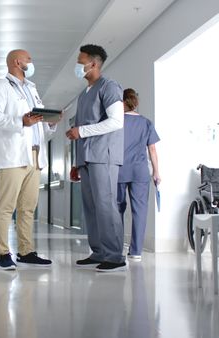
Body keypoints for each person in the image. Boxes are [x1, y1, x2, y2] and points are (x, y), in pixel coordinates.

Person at [0, 49, 60, 270]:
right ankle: (2, 253)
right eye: (29, 59)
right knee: (6, 206)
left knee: (28, 207)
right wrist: (21, 122)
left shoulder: (32, 89)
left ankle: (26, 252)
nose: (31, 62)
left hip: (35, 155)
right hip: (12, 156)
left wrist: (51, 122)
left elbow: (38, 121)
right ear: (17, 62)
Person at [65, 44, 126, 272]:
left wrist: (81, 132)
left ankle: (114, 256)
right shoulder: (84, 94)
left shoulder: (109, 87)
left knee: (105, 205)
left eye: (80, 62)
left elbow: (116, 121)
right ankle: (99, 251)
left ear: (93, 63)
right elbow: (79, 128)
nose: (77, 66)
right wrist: (76, 162)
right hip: (86, 158)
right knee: (90, 207)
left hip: (104, 156)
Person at [117, 88, 160, 262]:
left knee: (117, 210)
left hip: (119, 169)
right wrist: (157, 171)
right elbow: (152, 149)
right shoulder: (146, 123)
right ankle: (136, 252)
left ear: (122, 102)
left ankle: (116, 248)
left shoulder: (116, 121)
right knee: (140, 211)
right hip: (140, 171)